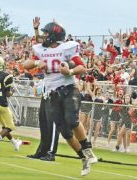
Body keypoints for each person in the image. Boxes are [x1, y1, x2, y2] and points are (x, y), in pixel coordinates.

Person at [23, 21, 97, 176]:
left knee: (72, 120)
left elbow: (82, 67)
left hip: (68, 90)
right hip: (51, 94)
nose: (44, 36)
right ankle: (83, 157)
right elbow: (26, 64)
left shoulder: (67, 48)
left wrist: (69, 71)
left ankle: (87, 149)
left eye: (46, 33)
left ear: (54, 35)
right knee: (65, 132)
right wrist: (37, 62)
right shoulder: (41, 49)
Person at [26, 17, 60, 162]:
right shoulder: (47, 48)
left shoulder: (60, 49)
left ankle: (51, 152)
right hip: (47, 87)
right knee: (44, 122)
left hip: (57, 88)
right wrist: (36, 30)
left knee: (52, 123)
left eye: (47, 33)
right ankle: (42, 150)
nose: (44, 36)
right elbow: (41, 43)